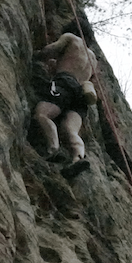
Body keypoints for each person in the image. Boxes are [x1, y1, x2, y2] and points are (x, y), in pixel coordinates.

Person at [33, 23, 99, 178]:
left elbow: (51, 50)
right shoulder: (93, 58)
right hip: (82, 94)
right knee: (69, 130)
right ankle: (78, 158)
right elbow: (80, 70)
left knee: (42, 114)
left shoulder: (71, 38)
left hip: (65, 83)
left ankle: (53, 149)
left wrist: (37, 54)